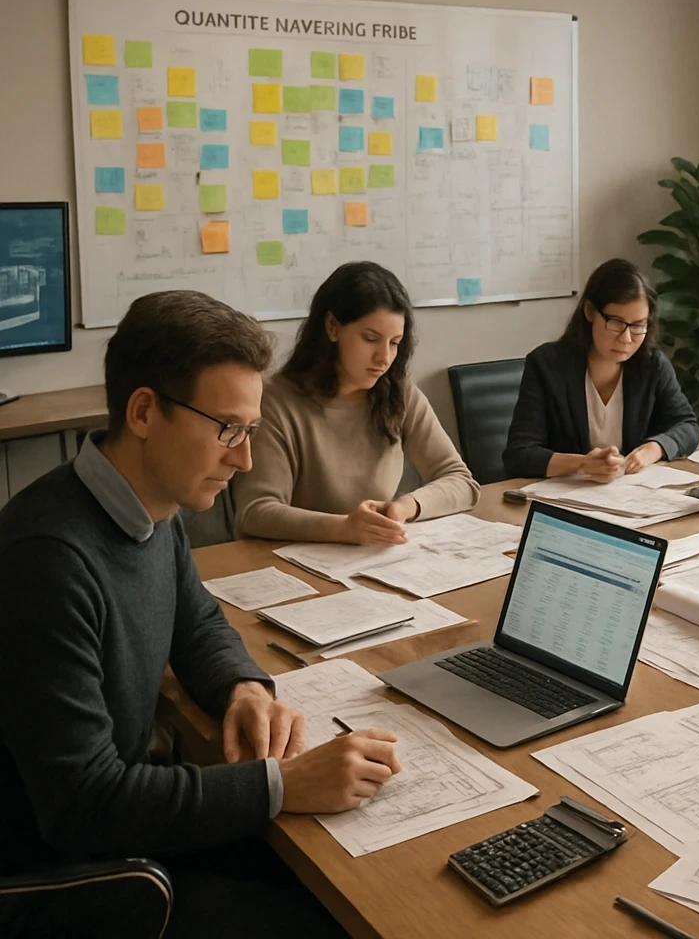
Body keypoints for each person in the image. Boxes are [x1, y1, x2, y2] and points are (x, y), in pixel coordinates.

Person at [0, 290, 402, 938]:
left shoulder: (152, 506)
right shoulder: (47, 559)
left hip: (128, 822)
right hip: (76, 878)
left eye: (249, 431)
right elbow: (83, 806)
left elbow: (197, 622)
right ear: (143, 412)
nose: (242, 459)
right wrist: (283, 783)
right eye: (227, 429)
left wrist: (240, 687)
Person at [234, 262, 480, 544]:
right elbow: (256, 511)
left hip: (370, 561)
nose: (384, 358)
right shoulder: (276, 401)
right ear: (332, 327)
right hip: (296, 566)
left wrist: (405, 507)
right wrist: (344, 528)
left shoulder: (398, 390)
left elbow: (461, 481)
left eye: (395, 343)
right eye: (371, 339)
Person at [503, 258, 699, 480]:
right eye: (615, 322)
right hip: (566, 499)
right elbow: (519, 455)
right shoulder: (547, 365)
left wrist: (653, 449)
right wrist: (582, 464)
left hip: (632, 497)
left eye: (637, 325)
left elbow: (688, 426)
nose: (626, 338)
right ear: (590, 311)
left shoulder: (652, 365)